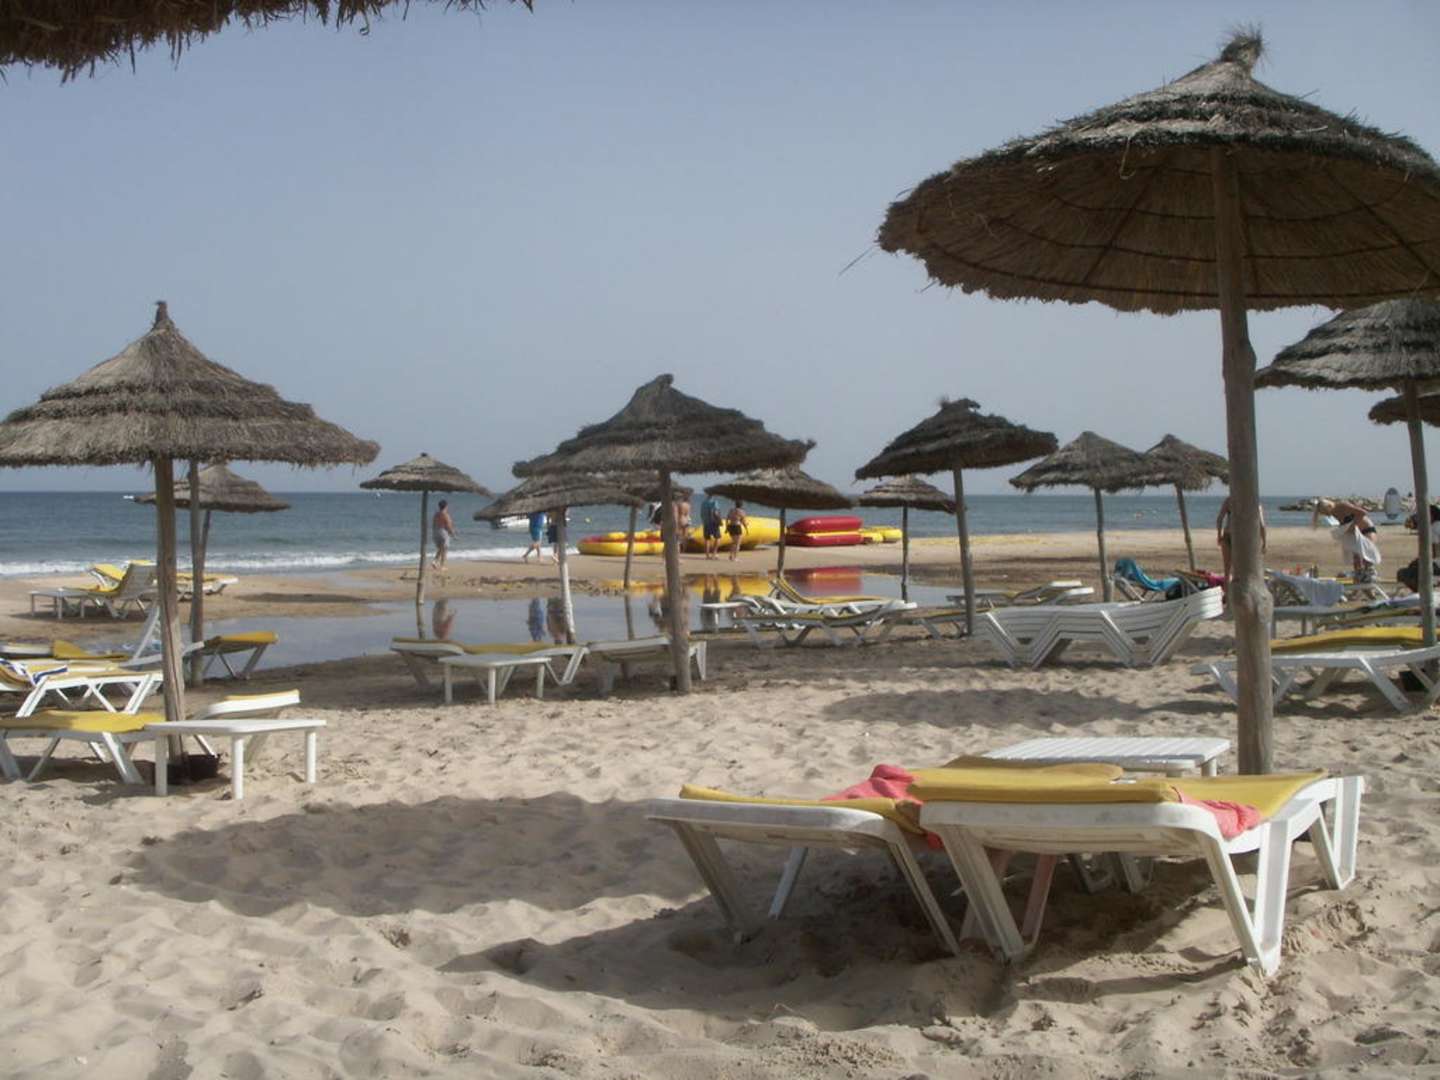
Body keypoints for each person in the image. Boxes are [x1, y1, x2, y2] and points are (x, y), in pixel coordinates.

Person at [1314, 498, 1380, 582]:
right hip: (1356, 533)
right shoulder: (1334, 513)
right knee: (1356, 558)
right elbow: (1345, 524)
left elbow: (1362, 513)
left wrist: (1352, 525)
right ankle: (1359, 579)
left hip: (1367, 529)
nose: (1327, 515)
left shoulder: (1342, 506)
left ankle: (1369, 578)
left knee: (1366, 557)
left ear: (1329, 506)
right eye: (1324, 513)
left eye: (1325, 512)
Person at [1216, 496, 1267, 595]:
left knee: (1227, 570)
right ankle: (1241, 595)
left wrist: (1219, 535)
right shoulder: (1255, 503)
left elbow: (1220, 519)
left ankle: (1228, 597)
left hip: (1228, 535)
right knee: (1241, 570)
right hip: (1243, 538)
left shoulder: (1229, 500)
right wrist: (1264, 542)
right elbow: (1262, 525)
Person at [431, 499, 457, 571]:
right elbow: (449, 526)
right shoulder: (446, 515)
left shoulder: (436, 514)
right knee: (444, 550)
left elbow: (433, 524)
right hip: (443, 532)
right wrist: (453, 535)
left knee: (440, 548)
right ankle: (442, 566)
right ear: (446, 506)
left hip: (435, 531)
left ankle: (434, 561)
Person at [699, 490, 724, 559]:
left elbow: (701, 514)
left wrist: (704, 521)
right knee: (718, 538)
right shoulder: (714, 502)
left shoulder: (703, 503)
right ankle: (714, 554)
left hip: (705, 523)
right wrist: (720, 521)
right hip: (713, 523)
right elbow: (716, 513)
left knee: (707, 539)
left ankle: (707, 555)